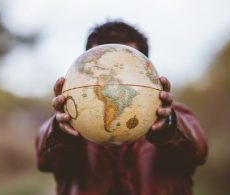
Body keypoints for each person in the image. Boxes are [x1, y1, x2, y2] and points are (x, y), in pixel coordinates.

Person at [36, 21, 208, 195]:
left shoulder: (172, 116)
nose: (116, 81)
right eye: (104, 69)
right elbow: (46, 160)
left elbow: (198, 152)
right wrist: (61, 132)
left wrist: (168, 127)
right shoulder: (70, 119)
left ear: (147, 70)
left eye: (125, 68)